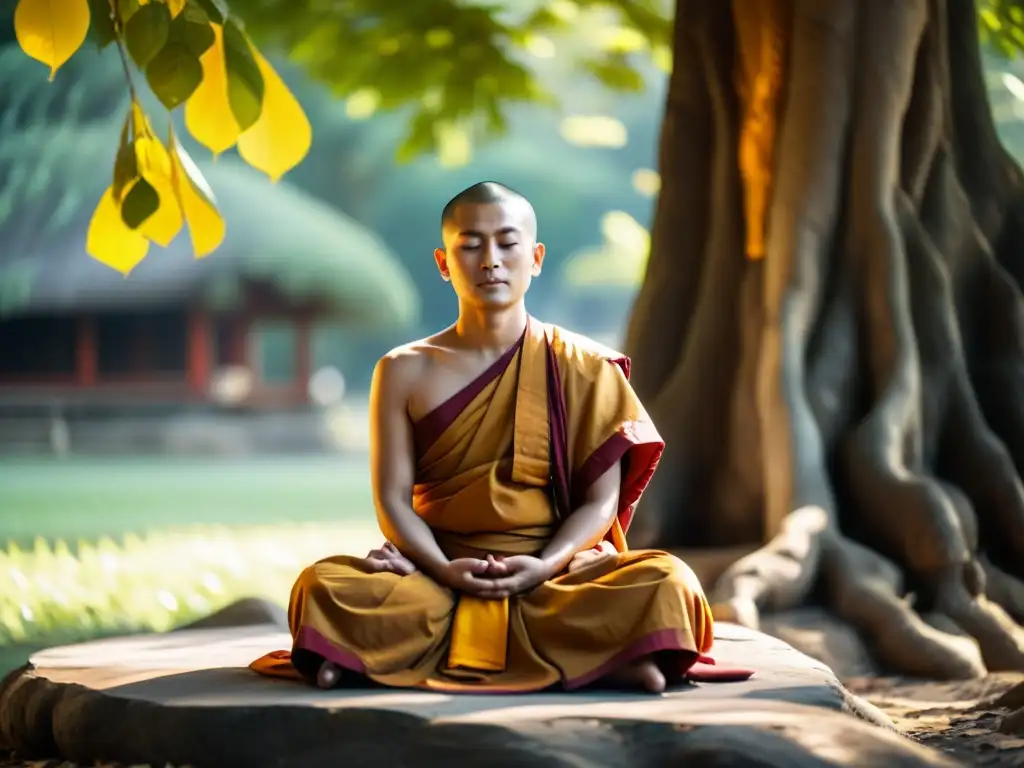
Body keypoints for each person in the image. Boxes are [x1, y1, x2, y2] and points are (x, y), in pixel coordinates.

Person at [250, 182, 746, 693]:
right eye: (471, 244)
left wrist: (543, 565)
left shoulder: (585, 365)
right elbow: (392, 502)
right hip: (436, 573)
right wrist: (443, 570)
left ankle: (366, 661)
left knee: (668, 582)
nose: (490, 260)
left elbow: (602, 501)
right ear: (444, 263)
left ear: (535, 258)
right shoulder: (403, 370)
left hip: (553, 574)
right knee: (324, 586)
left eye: (507, 244)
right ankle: (609, 660)